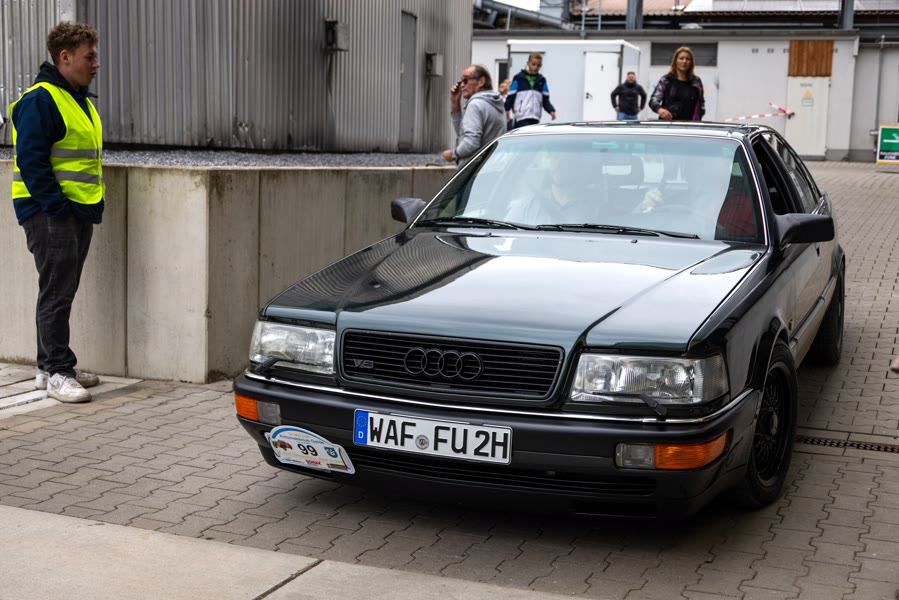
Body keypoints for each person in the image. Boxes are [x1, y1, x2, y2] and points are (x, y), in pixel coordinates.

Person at [10, 21, 104, 403]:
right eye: (89, 56)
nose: (96, 64)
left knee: (59, 290)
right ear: (64, 57)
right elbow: (32, 162)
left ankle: (48, 367)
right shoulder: (41, 100)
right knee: (57, 292)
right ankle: (58, 373)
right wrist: (57, 208)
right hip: (50, 213)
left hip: (73, 210)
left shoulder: (77, 99)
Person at [442, 64, 506, 169]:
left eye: (466, 80)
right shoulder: (495, 103)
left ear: (481, 81)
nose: (462, 85)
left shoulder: (475, 105)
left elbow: (471, 143)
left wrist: (453, 154)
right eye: (461, 81)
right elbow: (463, 133)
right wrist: (455, 103)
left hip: (476, 170)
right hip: (494, 166)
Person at [649, 46, 705, 122]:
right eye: (681, 58)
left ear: (691, 62)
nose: (684, 61)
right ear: (675, 61)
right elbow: (653, 101)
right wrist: (660, 110)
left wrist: (697, 120)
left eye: (688, 59)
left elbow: (701, 104)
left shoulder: (696, 82)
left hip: (690, 125)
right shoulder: (666, 80)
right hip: (669, 125)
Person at [505, 53, 557, 129]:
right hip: (521, 116)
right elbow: (511, 95)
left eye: (538, 65)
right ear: (528, 63)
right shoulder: (519, 78)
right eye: (533, 64)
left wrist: (551, 110)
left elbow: (545, 99)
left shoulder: (542, 80)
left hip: (535, 117)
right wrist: (507, 109)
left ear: (541, 66)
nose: (536, 67)